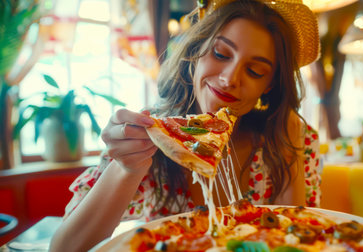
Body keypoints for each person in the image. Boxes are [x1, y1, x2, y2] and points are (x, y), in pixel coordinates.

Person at [50, 0, 321, 251]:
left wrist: (291, 143)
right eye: (220, 53)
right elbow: (66, 248)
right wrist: (126, 168)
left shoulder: (292, 136)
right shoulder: (150, 130)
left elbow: (299, 240)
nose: (230, 78)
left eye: (255, 71)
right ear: (197, 51)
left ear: (269, 84)